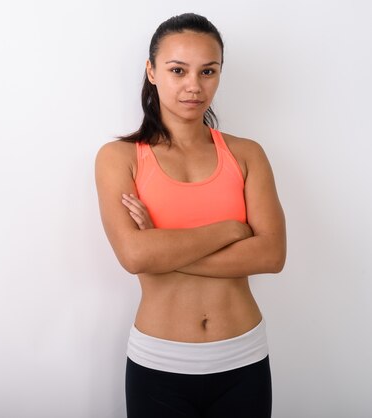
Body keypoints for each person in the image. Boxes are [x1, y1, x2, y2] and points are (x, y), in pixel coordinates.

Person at [94, 13, 286, 418]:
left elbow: (271, 256)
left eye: (208, 71)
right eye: (177, 70)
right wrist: (231, 229)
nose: (193, 86)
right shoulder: (119, 158)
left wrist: (163, 245)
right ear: (151, 71)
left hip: (244, 358)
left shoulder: (247, 153)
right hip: (159, 363)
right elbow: (134, 257)